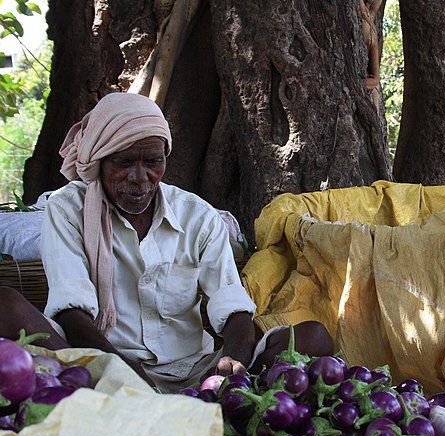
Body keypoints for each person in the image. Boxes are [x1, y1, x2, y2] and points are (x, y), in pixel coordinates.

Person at [0, 92, 334, 392]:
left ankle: (211, 404)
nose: (139, 177)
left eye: (152, 162)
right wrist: (126, 374)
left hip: (195, 370)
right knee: (6, 305)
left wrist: (232, 365)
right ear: (100, 161)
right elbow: (72, 312)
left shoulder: (197, 216)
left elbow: (231, 304)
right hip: (106, 369)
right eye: (124, 162)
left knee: (313, 337)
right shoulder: (68, 209)